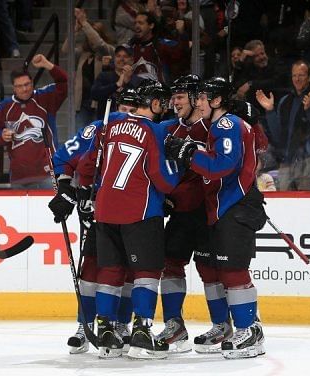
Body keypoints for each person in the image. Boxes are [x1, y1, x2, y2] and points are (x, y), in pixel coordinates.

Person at [164, 77, 267, 359]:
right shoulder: (222, 125)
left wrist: (188, 153)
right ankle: (236, 328)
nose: (198, 102)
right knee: (223, 270)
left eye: (202, 97)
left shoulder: (226, 124)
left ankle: (249, 330)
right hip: (227, 207)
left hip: (236, 206)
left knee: (233, 271)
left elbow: (221, 166)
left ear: (217, 100)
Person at [77, 80, 179, 359]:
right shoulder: (154, 130)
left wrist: (85, 190)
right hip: (140, 210)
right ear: (154, 103)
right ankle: (142, 333)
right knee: (146, 273)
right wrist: (177, 172)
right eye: (162, 100)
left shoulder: (110, 123)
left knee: (109, 271)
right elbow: (163, 179)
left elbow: (87, 164)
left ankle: (107, 332)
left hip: (105, 210)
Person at [47, 88, 139, 354]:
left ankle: (121, 324)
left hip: (133, 213)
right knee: (90, 273)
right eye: (125, 107)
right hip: (97, 213)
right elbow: (62, 157)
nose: (128, 113)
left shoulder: (146, 132)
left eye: (134, 108)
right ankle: (85, 325)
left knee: (129, 272)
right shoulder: (98, 129)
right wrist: (66, 189)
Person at [156, 74, 212, 353]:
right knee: (170, 265)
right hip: (180, 213)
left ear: (194, 98)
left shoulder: (212, 127)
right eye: (173, 97)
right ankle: (174, 325)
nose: (174, 102)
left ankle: (223, 324)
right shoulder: (168, 130)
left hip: (208, 212)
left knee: (213, 270)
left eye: (179, 96)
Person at [256, 60, 310, 191]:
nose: (297, 79)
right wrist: (270, 111)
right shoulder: (285, 101)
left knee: (307, 204)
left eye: (301, 75)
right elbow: (278, 135)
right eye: (294, 75)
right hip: (287, 163)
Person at [0, 54, 67, 188]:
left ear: (32, 83)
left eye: (27, 84)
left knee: (53, 209)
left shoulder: (45, 97)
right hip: (19, 176)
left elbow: (64, 82)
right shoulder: (4, 107)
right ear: (13, 88)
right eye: (20, 86)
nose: (24, 89)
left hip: (48, 173)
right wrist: (1, 136)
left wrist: (48, 65)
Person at [91, 44, 143, 119]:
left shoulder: (138, 80)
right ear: (114, 59)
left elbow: (142, 103)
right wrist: (116, 85)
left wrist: (128, 83)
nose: (121, 59)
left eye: (125, 56)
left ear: (132, 60)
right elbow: (94, 94)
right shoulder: (104, 76)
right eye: (118, 56)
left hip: (130, 124)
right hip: (106, 124)